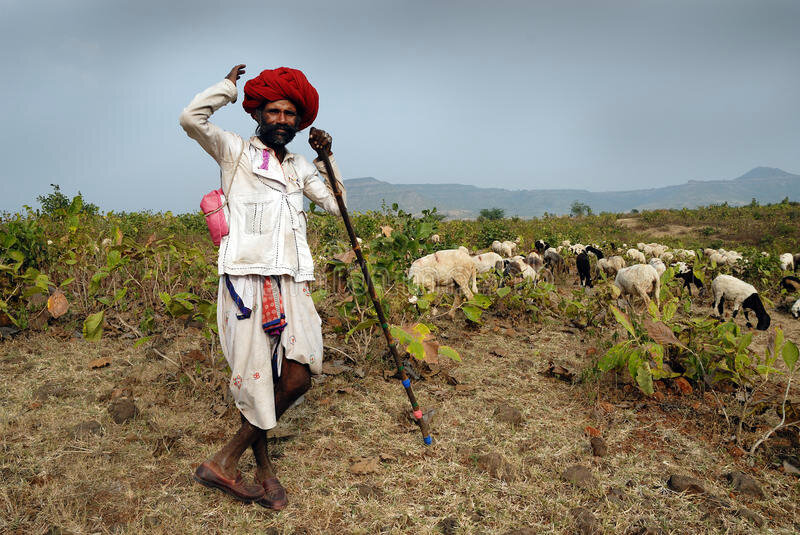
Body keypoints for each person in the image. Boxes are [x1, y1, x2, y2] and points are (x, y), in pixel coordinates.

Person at [179, 64, 346, 510]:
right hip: (247, 282)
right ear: (258, 113)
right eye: (273, 111)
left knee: (298, 374)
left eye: (291, 114)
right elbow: (190, 118)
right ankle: (261, 467)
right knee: (258, 380)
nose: (282, 120)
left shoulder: (299, 166)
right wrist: (227, 89)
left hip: (292, 280)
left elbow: (335, 204)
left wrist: (328, 159)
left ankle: (225, 459)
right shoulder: (234, 152)